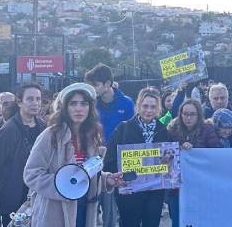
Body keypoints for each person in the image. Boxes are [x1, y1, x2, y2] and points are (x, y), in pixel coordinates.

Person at [23, 83, 125, 227]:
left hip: (84, 209)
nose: (79, 108)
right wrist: (64, 187)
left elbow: (85, 173)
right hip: (55, 213)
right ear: (65, 108)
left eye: (83, 104)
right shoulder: (50, 135)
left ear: (90, 108)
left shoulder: (91, 136)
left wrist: (106, 180)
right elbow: (31, 174)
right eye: (73, 104)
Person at [105, 87, 168, 227]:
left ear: (158, 108)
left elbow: (169, 160)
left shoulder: (163, 130)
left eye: (153, 107)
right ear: (138, 106)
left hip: (154, 193)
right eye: (145, 106)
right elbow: (109, 159)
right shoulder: (123, 128)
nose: (149, 110)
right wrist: (122, 174)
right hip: (129, 191)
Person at [0, 83, 47, 227]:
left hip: (38, 194)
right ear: (20, 102)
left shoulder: (43, 127)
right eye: (30, 99)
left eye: (38, 99)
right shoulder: (9, 130)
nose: (35, 103)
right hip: (14, 196)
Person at [84, 63, 134, 227]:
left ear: (107, 84)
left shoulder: (127, 103)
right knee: (91, 205)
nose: (93, 88)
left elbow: (131, 134)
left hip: (115, 161)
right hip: (91, 159)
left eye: (96, 85)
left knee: (110, 208)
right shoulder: (90, 104)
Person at [167, 99, 221, 226]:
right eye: (185, 114)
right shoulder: (172, 129)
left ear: (199, 115)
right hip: (177, 187)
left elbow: (216, 153)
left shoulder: (207, 129)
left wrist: (194, 150)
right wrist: (179, 147)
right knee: (178, 220)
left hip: (200, 186)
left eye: (192, 114)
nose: (188, 117)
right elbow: (166, 152)